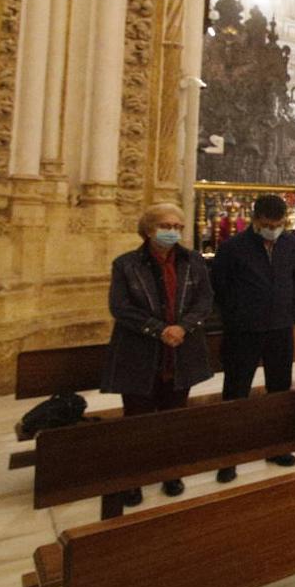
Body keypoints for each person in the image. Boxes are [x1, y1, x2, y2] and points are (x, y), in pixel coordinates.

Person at [101, 203, 214, 504]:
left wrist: (182, 327)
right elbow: (121, 307)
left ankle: (169, 472)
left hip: (180, 351)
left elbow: (204, 301)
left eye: (177, 227)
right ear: (149, 230)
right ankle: (134, 478)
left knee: (173, 417)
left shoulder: (193, 261)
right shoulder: (126, 264)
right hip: (139, 352)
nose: (173, 231)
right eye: (166, 226)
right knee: (137, 420)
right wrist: (159, 329)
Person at [209, 194, 295, 483]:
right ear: (255, 220)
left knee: (279, 391)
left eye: (278, 224)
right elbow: (220, 288)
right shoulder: (232, 248)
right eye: (267, 224)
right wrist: (240, 314)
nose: (272, 229)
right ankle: (228, 458)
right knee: (236, 394)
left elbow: (294, 280)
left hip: (280, 329)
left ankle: (276, 448)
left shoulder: (291, 245)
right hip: (244, 331)